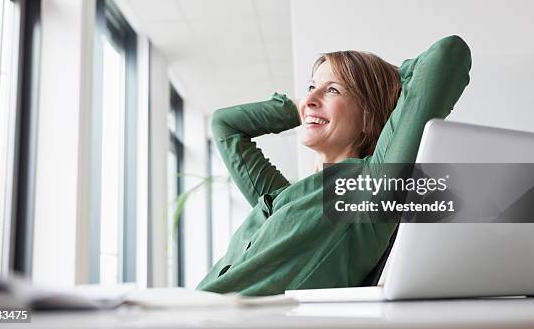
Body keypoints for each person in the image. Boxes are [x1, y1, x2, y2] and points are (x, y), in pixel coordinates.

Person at [196, 35, 472, 296]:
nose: (310, 99)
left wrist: (382, 86)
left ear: (367, 116)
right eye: (310, 87)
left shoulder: (367, 188)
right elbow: (226, 125)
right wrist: (306, 106)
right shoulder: (281, 197)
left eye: (333, 90)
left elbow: (448, 54)